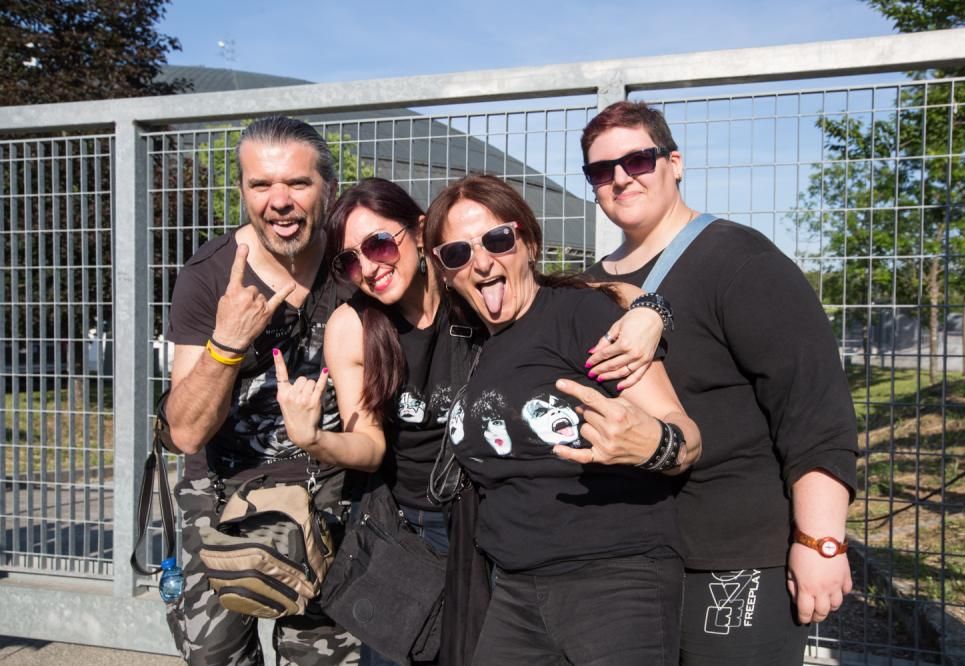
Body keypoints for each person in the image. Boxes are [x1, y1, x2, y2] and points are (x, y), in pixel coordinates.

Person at [275, 176, 667, 666]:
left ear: (420, 233)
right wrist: (315, 439)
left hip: (488, 515)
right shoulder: (353, 326)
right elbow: (369, 445)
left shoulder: (472, 284)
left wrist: (651, 312)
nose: (370, 268)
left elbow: (591, 292)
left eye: (378, 244)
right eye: (350, 261)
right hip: (411, 524)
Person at [579, 100, 860, 666]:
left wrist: (820, 541)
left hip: (732, 556)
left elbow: (813, 409)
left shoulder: (739, 260)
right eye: (601, 170)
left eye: (638, 160)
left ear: (674, 162)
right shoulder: (589, 286)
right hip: (627, 563)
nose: (621, 178)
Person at [423, 173, 702, 665]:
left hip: (614, 579)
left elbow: (685, 435)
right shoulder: (469, 342)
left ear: (529, 243)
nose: (481, 262)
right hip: (513, 587)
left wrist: (652, 445)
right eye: (458, 253)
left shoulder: (580, 315)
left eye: (497, 239)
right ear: (445, 271)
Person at [162, 116, 366, 666]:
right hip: (223, 497)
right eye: (261, 184)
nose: (279, 201)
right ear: (243, 191)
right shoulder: (208, 275)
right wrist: (227, 342)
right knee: (215, 657)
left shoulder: (358, 268)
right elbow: (185, 432)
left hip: (333, 496)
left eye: (298, 183)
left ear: (328, 187)